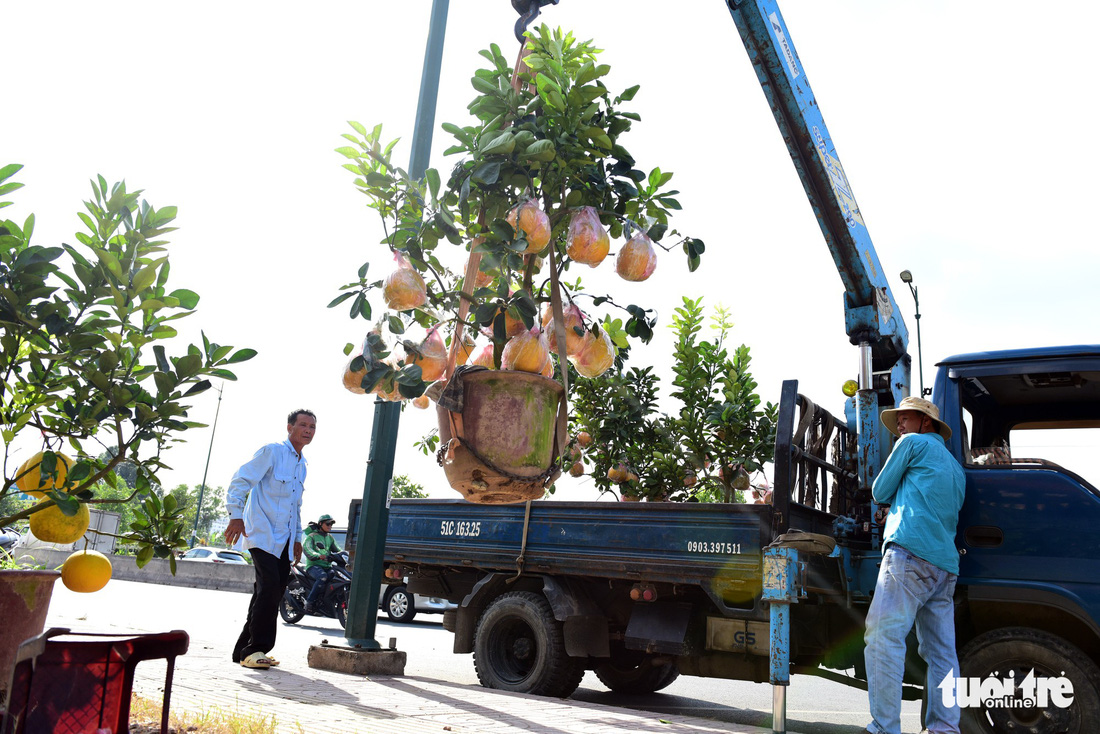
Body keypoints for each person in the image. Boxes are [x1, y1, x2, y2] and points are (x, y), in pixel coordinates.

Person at [864, 397, 965, 734]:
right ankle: (945, 729)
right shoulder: (956, 468)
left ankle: (885, 727)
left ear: (926, 422)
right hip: (945, 568)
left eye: (905, 419)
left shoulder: (912, 443)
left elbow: (879, 490)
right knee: (942, 654)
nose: (900, 428)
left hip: (909, 554)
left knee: (883, 639)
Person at [225, 409, 316, 670]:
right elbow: (241, 479)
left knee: (269, 591)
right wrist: (235, 515)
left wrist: (298, 538)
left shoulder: (302, 465)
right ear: (289, 427)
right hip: (262, 533)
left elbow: (295, 506)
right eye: (302, 425)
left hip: (284, 540)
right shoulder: (272, 452)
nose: (308, 430)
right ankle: (256, 649)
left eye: (312, 427)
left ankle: (244, 649)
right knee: (269, 589)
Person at [302, 513, 341, 614]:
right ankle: (309, 602)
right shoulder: (312, 536)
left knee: (335, 575)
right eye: (328, 524)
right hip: (313, 566)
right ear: (320, 524)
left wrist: (346, 555)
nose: (330, 526)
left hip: (327, 566)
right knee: (322, 577)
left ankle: (326, 599)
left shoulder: (330, 537)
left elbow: (338, 550)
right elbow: (307, 548)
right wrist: (317, 555)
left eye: (331, 524)